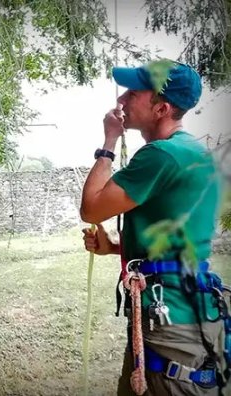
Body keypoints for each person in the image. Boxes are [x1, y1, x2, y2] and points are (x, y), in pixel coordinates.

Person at [80, 59, 224, 395]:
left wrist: (108, 142)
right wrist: (115, 247)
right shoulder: (194, 152)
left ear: (161, 108)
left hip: (170, 323)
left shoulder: (162, 155)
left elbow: (91, 209)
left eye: (134, 93)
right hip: (190, 310)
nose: (122, 100)